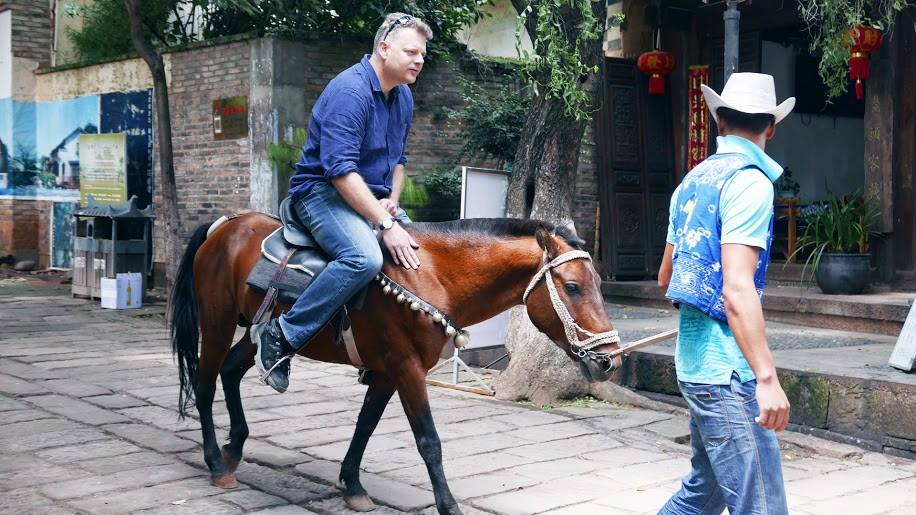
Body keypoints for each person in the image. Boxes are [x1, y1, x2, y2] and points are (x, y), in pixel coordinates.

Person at [251, 13, 430, 393]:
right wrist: (384, 223)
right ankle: (281, 334)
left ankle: (378, 344)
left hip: (372, 198)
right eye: (411, 52)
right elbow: (340, 172)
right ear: (384, 48)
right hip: (321, 194)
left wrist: (391, 202)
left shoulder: (403, 95)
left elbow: (399, 161)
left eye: (422, 55)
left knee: (422, 250)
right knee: (363, 258)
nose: (419, 60)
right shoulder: (350, 92)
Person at [657, 73, 794, 515]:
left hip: (695, 366)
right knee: (762, 507)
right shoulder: (751, 183)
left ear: (719, 121)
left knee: (703, 495)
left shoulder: (690, 183)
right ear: (771, 127)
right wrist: (767, 379)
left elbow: (666, 277)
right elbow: (737, 287)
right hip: (729, 374)